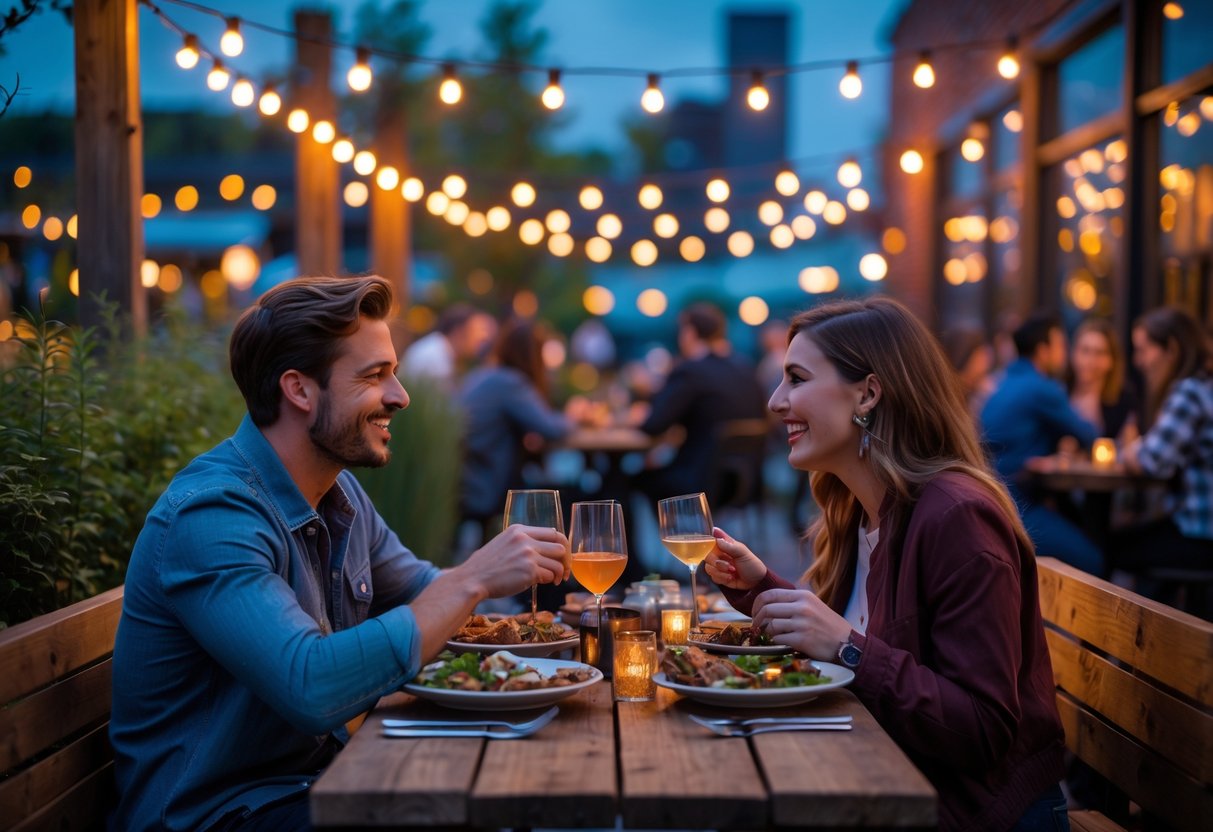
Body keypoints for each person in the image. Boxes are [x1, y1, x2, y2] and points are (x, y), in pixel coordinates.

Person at [110, 276, 570, 832]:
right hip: (222, 814)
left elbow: (422, 589)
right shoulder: (212, 517)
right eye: (375, 376)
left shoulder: (339, 493)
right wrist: (471, 579)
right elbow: (312, 685)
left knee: (523, 784)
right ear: (300, 390)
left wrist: (561, 633)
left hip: (317, 782)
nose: (400, 396)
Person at [704, 297, 1068, 832]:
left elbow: (984, 731)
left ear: (869, 393)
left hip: (974, 812)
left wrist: (847, 647)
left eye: (797, 379)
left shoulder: (957, 518)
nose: (776, 401)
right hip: (890, 782)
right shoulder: (861, 510)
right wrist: (762, 588)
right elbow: (869, 643)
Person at [980, 312, 1103, 575]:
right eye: (1060, 345)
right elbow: (1089, 435)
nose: (1065, 352)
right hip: (1017, 506)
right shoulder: (1042, 388)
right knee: (1094, 561)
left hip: (991, 498)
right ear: (1043, 350)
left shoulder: (1004, 382)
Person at [1114, 306, 1213, 614]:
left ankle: (1134, 651)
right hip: (1200, 531)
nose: (1138, 361)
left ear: (1171, 348)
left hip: (1201, 534)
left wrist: (1130, 448)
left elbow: (1151, 461)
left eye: (1143, 350)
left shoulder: (1189, 391)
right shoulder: (1204, 386)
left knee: (1114, 548)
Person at [456, 318, 585, 543]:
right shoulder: (510, 382)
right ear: (533, 355)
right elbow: (550, 427)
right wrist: (575, 416)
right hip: (486, 484)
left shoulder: (485, 376)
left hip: (468, 478)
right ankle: (563, 564)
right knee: (565, 495)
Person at [1064, 317, 1138, 442]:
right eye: (1085, 351)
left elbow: (1128, 445)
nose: (1090, 361)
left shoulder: (1123, 400)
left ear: (1112, 361)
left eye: (1099, 353)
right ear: (1073, 354)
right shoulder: (1058, 392)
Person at [398, 302, 496, 392]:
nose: (483, 338)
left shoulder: (439, 348)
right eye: (478, 331)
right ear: (459, 331)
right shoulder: (434, 356)